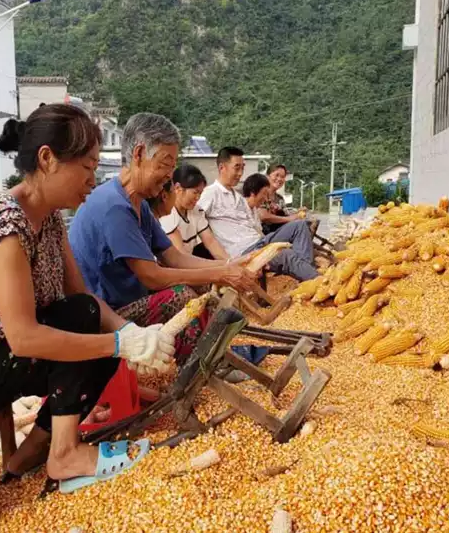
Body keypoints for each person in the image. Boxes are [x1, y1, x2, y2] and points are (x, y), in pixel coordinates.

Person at [0, 104, 175, 494]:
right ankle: (65, 452)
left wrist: (132, 335)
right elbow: (24, 339)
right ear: (48, 159)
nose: (92, 180)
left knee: (88, 316)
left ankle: (33, 453)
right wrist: (119, 343)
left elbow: (83, 299)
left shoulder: (49, 218)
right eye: (86, 168)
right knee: (88, 327)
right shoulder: (6, 224)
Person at [68, 113, 258, 363]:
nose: (170, 175)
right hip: (107, 315)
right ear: (138, 155)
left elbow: (175, 258)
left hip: (131, 300)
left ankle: (218, 352)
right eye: (165, 165)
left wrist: (229, 265)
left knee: (202, 285)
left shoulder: (140, 205)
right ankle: (201, 363)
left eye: (172, 166)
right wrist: (221, 274)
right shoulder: (114, 206)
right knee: (180, 296)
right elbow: (152, 276)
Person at [198, 147, 319, 282]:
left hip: (260, 242)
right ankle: (319, 281)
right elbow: (194, 221)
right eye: (236, 168)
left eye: (242, 168)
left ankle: (310, 277)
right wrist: (228, 262)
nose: (240, 173)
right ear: (222, 168)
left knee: (300, 225)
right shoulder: (210, 194)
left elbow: (254, 225)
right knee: (286, 255)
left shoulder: (237, 197)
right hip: (245, 252)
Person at [159, 164, 230, 260]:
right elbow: (180, 256)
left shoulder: (197, 211)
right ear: (178, 188)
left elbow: (211, 242)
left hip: (188, 263)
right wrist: (222, 267)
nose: (198, 198)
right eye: (195, 192)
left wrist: (230, 263)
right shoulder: (167, 213)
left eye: (200, 193)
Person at [260, 164, 305, 234]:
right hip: (263, 234)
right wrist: (289, 218)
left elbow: (285, 217)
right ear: (267, 176)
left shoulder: (280, 198)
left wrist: (297, 213)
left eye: (283, 177)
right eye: (277, 175)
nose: (280, 179)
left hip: (278, 232)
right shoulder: (261, 194)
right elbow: (263, 216)